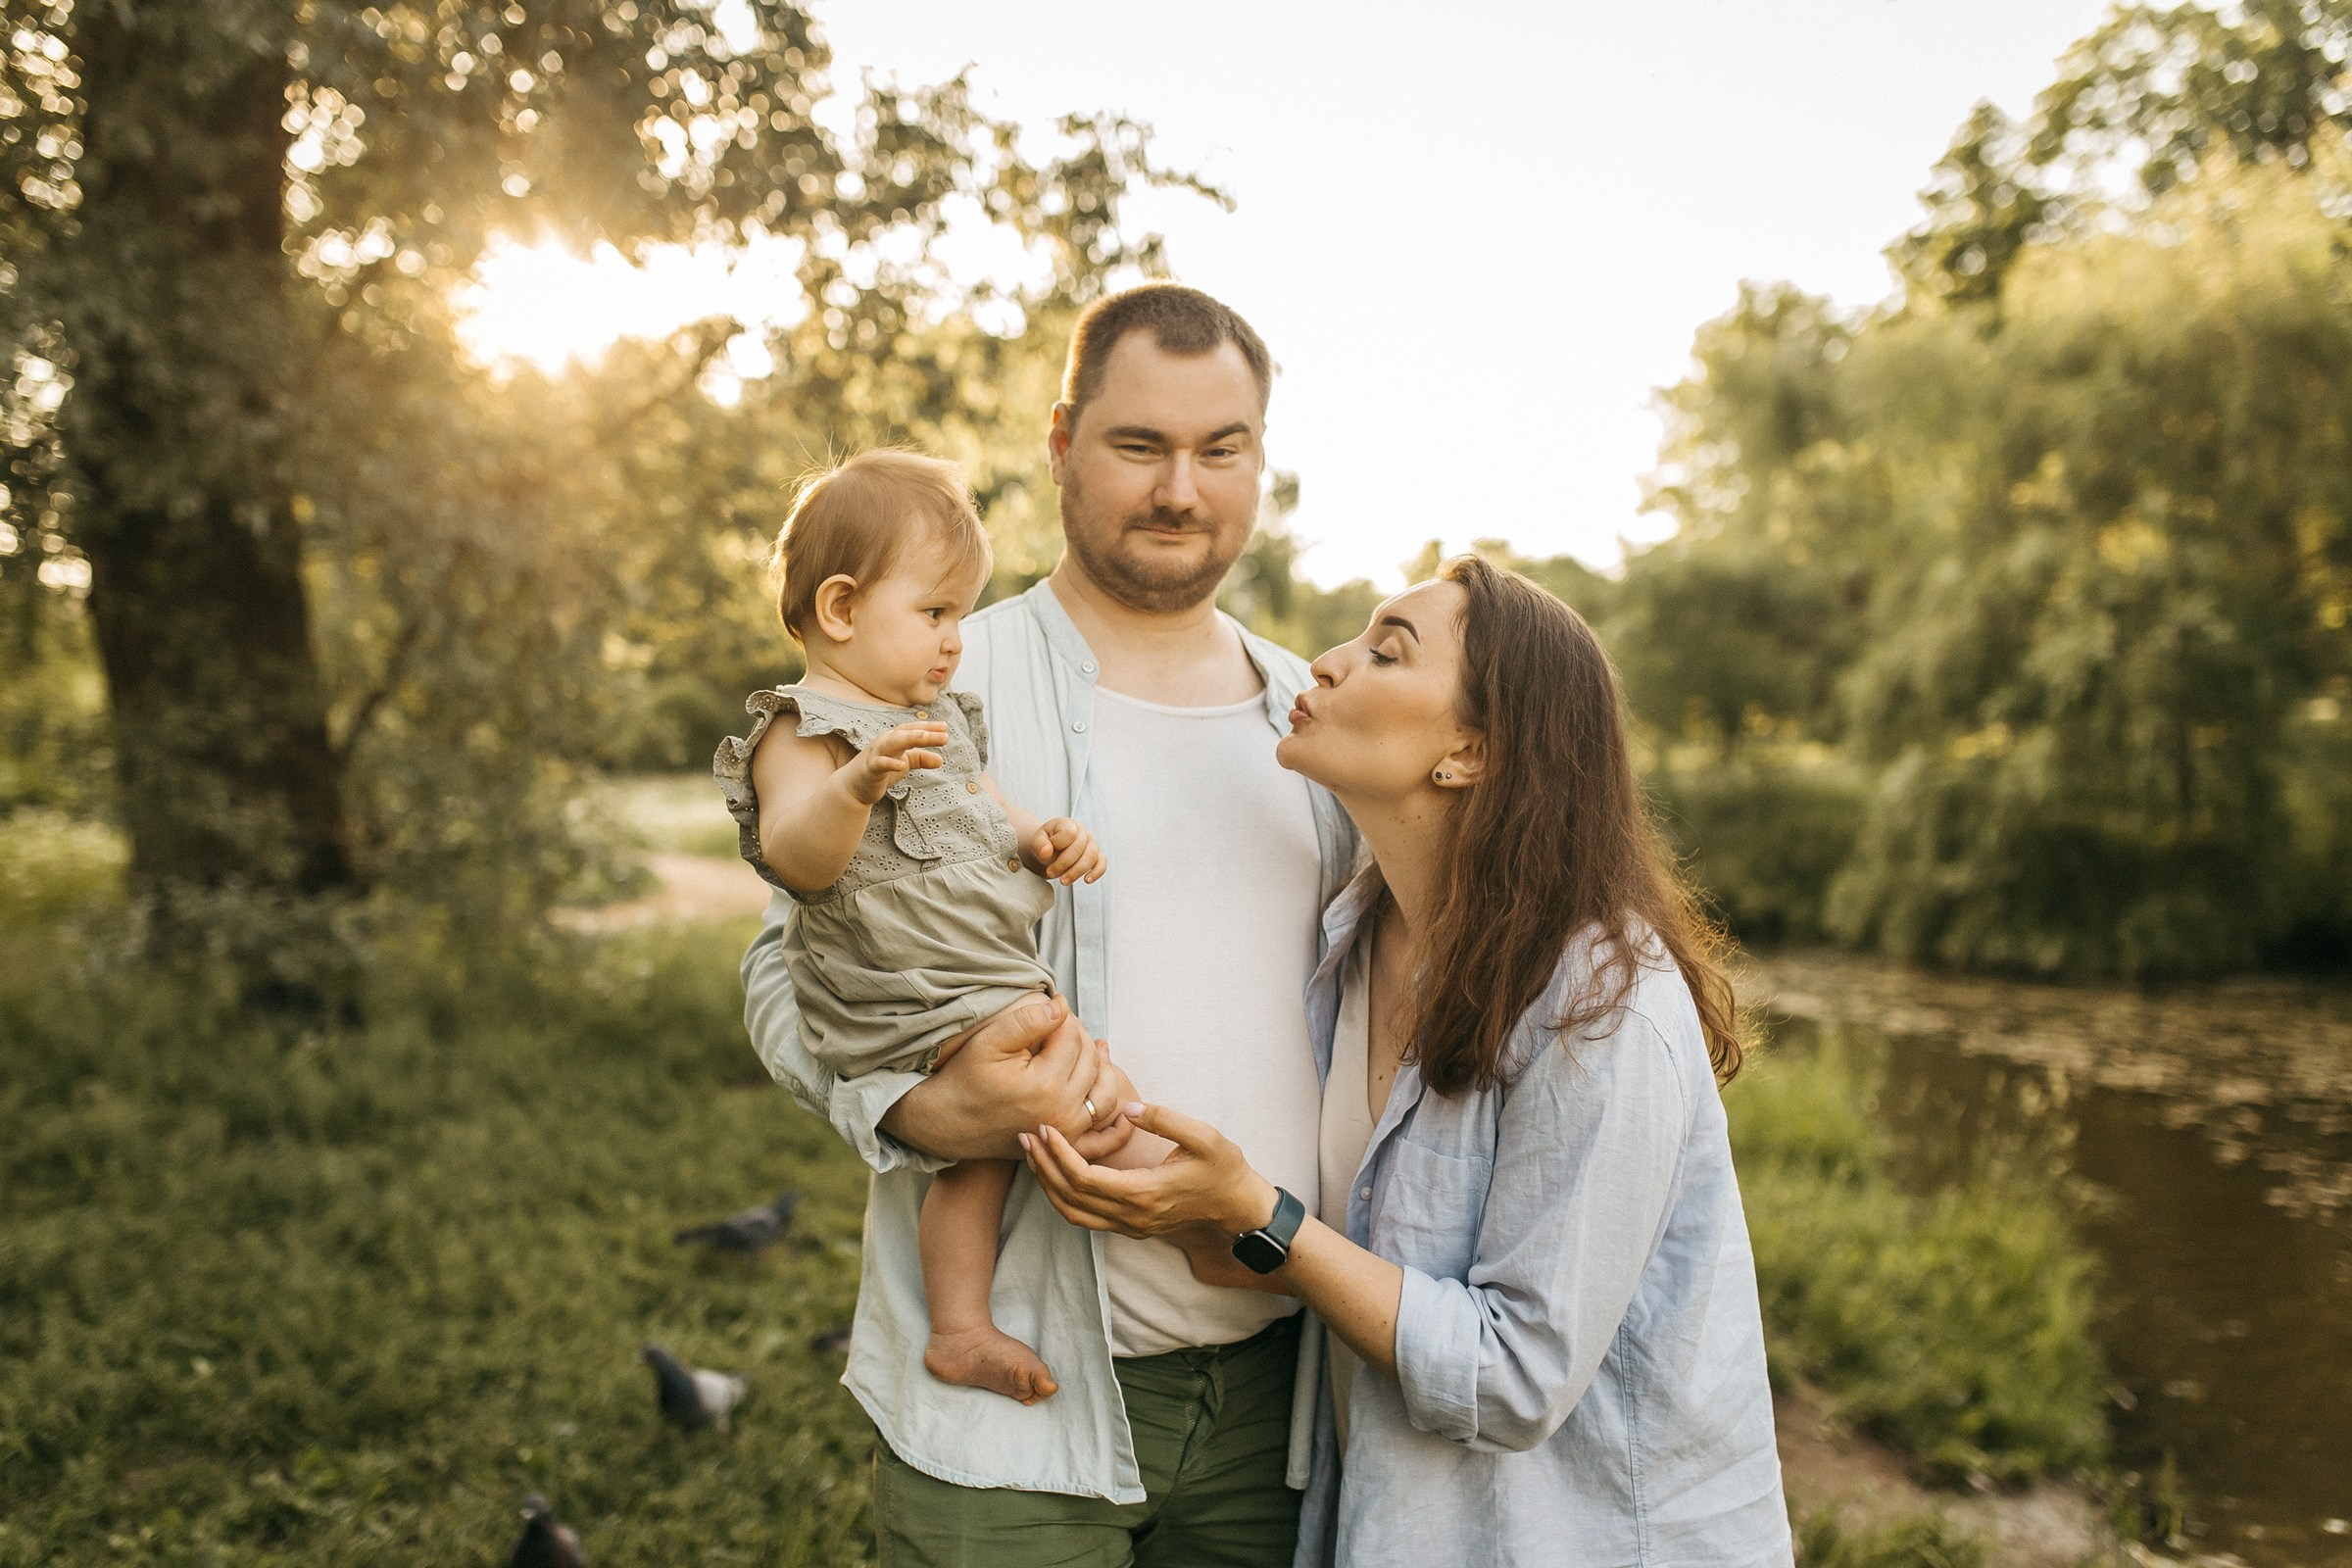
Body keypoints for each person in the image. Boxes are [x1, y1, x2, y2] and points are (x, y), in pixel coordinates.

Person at [740, 284, 1358, 1566]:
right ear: (1063, 440)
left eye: (1221, 449)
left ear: (1260, 460)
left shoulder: (1322, 718)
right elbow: (779, 966)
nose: (1182, 489)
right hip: (1015, 1403)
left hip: (1279, 1400)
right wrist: (913, 1107)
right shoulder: (940, 679)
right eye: (1141, 445)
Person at [1020, 556, 1795, 1567]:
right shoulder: (1356, 931)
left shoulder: (1602, 1004)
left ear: (1468, 751)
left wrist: (1265, 1221)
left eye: (1386, 650)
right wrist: (1237, 1241)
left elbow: (1515, 1375)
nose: (1330, 663)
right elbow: (1394, 1265)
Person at [712, 449, 1122, 1407]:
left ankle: (961, 1328)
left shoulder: (935, 715)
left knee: (999, 1144)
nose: (955, 640)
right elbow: (797, 858)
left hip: (978, 977)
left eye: (961, 615)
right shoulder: (799, 731)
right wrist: (855, 784)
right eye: (936, 612)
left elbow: (987, 805)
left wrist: (1043, 837)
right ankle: (1184, 1224)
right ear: (843, 608)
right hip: (905, 996)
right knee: (1078, 1093)